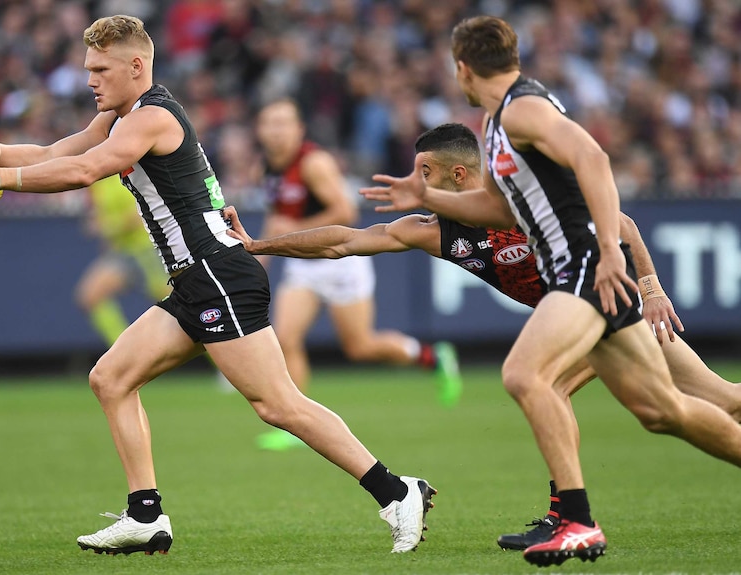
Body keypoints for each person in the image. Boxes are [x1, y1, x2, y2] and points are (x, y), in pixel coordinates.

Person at [0, 15, 436, 556]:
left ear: (136, 66)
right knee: (111, 379)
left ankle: (396, 490)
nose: (90, 80)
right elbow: (62, 151)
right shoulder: (121, 117)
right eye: (87, 69)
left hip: (219, 274)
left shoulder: (151, 118)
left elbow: (85, 172)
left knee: (277, 405)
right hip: (195, 281)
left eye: (100, 68)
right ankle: (145, 516)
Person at [225, 121, 741, 552]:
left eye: (423, 171)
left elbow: (622, 223)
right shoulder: (433, 229)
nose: (414, 180)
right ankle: (568, 516)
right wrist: (257, 244)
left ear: (457, 174)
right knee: (717, 401)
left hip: (607, 303)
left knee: (553, 387)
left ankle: (568, 517)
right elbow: (345, 242)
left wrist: (651, 289)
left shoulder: (516, 199)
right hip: (592, 315)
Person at [359, 16, 741, 567]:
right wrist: (427, 199)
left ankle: (576, 521)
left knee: (525, 375)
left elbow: (595, 159)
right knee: (665, 412)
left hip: (582, 268)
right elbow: (498, 208)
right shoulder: (499, 123)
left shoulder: (521, 108)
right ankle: (569, 517)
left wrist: (613, 253)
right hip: (582, 272)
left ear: (463, 67)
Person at [253, 98, 462, 451]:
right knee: (285, 338)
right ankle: (295, 426)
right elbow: (280, 218)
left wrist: (294, 228)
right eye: (269, 122)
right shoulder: (269, 166)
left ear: (299, 129)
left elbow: (345, 211)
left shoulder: (313, 163)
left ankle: (432, 357)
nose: (275, 130)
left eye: (283, 122)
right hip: (305, 264)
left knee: (360, 346)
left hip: (340, 261)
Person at [76, 174, 171, 346]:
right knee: (90, 296)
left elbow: (138, 215)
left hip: (147, 251)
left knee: (181, 310)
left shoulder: (129, 172)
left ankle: (222, 361)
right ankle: (128, 353)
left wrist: (106, 228)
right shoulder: (96, 181)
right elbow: (101, 216)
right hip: (122, 253)